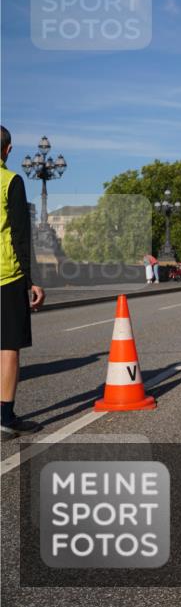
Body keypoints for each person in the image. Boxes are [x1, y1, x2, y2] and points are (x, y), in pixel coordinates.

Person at [1, 125, 45, 440]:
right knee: (7, 347)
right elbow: (20, 236)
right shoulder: (10, 181)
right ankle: (4, 418)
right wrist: (32, 281)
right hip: (6, 275)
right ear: (8, 149)